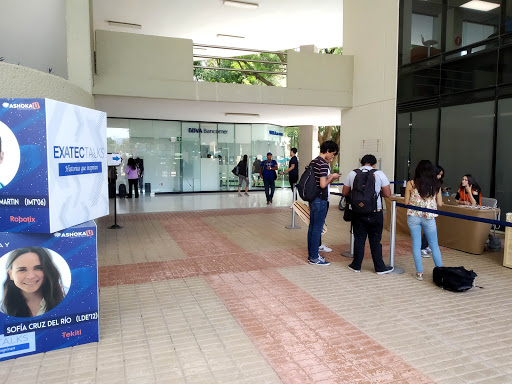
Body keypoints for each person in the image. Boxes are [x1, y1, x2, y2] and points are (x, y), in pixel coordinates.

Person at [342, 154, 394, 274]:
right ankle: (379, 267)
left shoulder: (352, 173)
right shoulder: (380, 174)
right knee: (375, 240)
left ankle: (356, 266)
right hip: (375, 212)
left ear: (361, 163)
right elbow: (387, 193)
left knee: (359, 238)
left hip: (357, 212)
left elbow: (345, 192)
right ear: (374, 164)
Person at [404, 160, 444, 281]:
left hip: (413, 216)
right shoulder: (436, 184)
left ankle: (419, 273)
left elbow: (406, 202)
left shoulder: (411, 183)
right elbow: (440, 203)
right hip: (429, 217)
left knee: (416, 244)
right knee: (434, 245)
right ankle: (440, 272)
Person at [2, 247, 66, 317]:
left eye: (38, 268)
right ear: (10, 274)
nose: (31, 276)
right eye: (22, 270)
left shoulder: (67, 298)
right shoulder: (3, 310)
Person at [307, 141, 341, 265]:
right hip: (320, 199)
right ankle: (314, 257)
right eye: (332, 155)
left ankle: (311, 254)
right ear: (327, 151)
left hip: (312, 198)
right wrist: (332, 177)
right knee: (317, 228)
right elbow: (322, 184)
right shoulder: (322, 164)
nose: (332, 158)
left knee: (312, 227)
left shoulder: (314, 161)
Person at [421, 164, 444, 256]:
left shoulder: (424, 182)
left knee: (427, 229)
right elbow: (439, 202)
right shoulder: (436, 185)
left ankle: (425, 246)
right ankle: (423, 247)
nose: (439, 177)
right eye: (438, 174)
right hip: (430, 209)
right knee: (429, 229)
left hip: (424, 208)